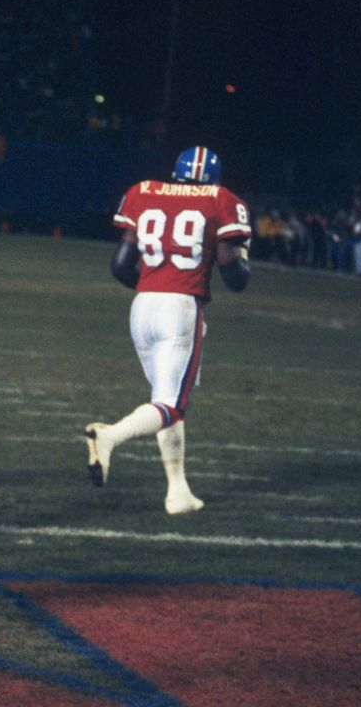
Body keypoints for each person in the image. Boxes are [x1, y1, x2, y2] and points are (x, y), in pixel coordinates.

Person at [84, 146, 252, 515]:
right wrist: (243, 254)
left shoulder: (143, 190)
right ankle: (109, 435)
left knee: (163, 399)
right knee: (170, 405)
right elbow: (235, 278)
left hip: (142, 306)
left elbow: (121, 264)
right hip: (180, 306)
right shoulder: (222, 199)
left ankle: (178, 491)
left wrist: (154, 288)